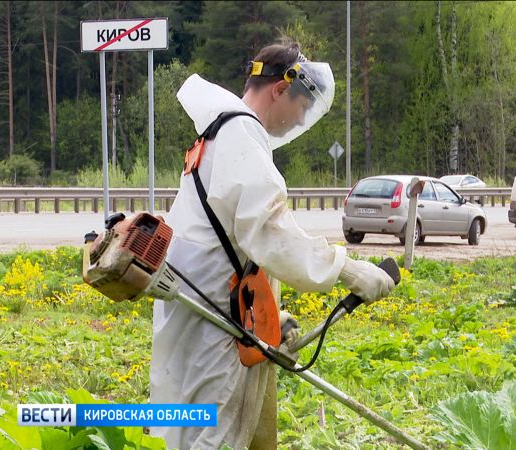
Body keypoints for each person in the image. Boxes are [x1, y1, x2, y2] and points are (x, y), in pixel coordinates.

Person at [150, 42, 395, 450]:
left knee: (183, 428)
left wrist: (268, 317)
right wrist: (347, 270)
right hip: (211, 320)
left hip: (200, 306)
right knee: (210, 436)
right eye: (301, 107)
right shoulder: (240, 134)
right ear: (281, 89)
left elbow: (232, 241)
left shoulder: (220, 131)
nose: (299, 120)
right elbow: (270, 232)